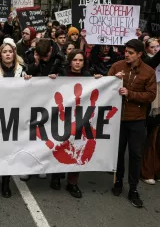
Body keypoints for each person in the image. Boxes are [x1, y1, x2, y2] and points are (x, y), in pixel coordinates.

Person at [47, 50, 102, 198]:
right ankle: (56, 176)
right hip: (62, 117)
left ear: (84, 62)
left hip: (79, 119)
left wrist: (100, 81)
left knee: (78, 147)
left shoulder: (88, 77)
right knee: (61, 145)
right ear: (70, 61)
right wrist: (52, 79)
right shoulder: (62, 74)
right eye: (75, 60)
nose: (78, 63)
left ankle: (72, 182)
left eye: (81, 60)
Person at [108, 39, 157, 208]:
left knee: (135, 155)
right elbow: (105, 87)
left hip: (137, 119)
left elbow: (150, 95)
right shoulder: (117, 66)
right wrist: (113, 81)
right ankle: (118, 182)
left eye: (130, 53)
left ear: (139, 54)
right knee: (118, 152)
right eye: (125, 52)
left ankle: (133, 189)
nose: (126, 55)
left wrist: (130, 93)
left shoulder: (148, 72)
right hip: (118, 119)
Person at [0, 39, 31, 198]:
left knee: (9, 149)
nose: (7, 54)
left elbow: (30, 92)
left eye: (10, 52)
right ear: (0, 54)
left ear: (14, 54)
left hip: (15, 115)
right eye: (4, 52)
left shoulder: (23, 70)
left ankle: (6, 182)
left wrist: (29, 81)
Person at [141, 38, 160, 185]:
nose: (156, 49)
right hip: (154, 101)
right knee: (152, 136)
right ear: (146, 49)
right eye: (153, 47)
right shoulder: (147, 62)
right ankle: (147, 171)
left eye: (158, 46)